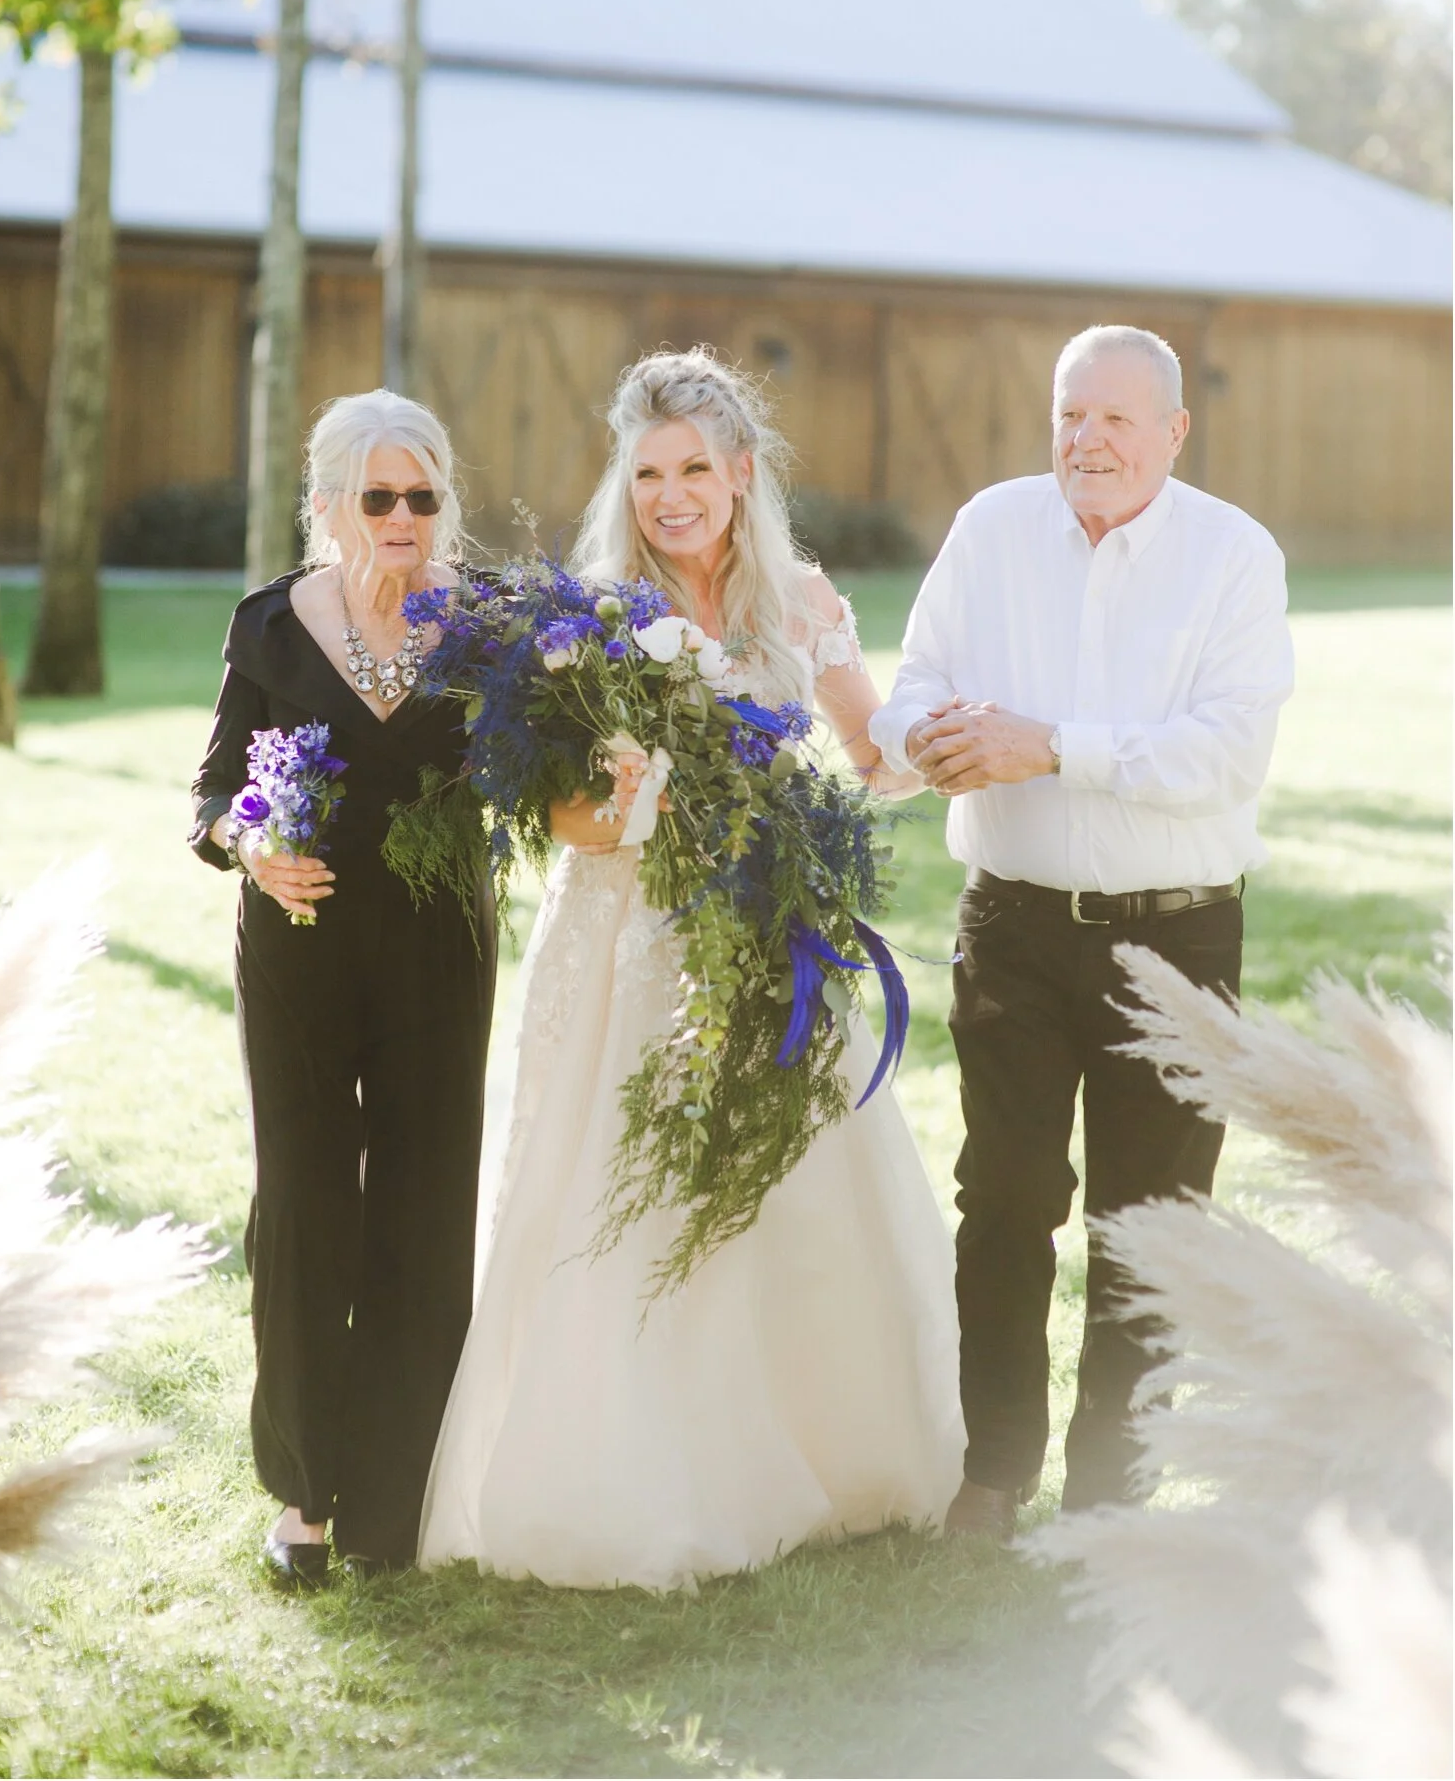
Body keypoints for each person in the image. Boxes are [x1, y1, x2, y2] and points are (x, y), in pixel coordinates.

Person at [418, 348, 964, 1590]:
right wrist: (637, 804)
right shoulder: (592, 616)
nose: (670, 496)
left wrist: (937, 740)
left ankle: (821, 1457)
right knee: (629, 1186)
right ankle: (641, 1474)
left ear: (741, 473)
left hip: (771, 931)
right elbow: (558, 818)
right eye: (648, 473)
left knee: (792, 1184)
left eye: (694, 471)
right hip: (628, 938)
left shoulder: (800, 603)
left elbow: (871, 751)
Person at [869, 324, 1295, 1539]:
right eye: (1070, 414)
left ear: (1174, 432)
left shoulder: (1233, 555)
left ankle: (1114, 1498)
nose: (1087, 439)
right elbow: (911, 688)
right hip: (1012, 924)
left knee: (1150, 1224)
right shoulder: (992, 529)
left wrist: (1052, 746)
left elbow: (1227, 754)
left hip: (1179, 942)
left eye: (1115, 418)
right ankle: (994, 1471)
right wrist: (930, 737)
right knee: (1004, 1200)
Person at [190, 390, 496, 1583]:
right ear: (328, 505)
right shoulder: (270, 626)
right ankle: (305, 1496)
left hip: (438, 945)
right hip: (300, 945)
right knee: (306, 1202)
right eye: (378, 497)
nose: (403, 516)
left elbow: (549, 772)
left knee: (426, 1202)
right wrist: (250, 846)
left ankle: (395, 1496)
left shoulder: (489, 628)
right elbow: (215, 792)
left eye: (423, 495)